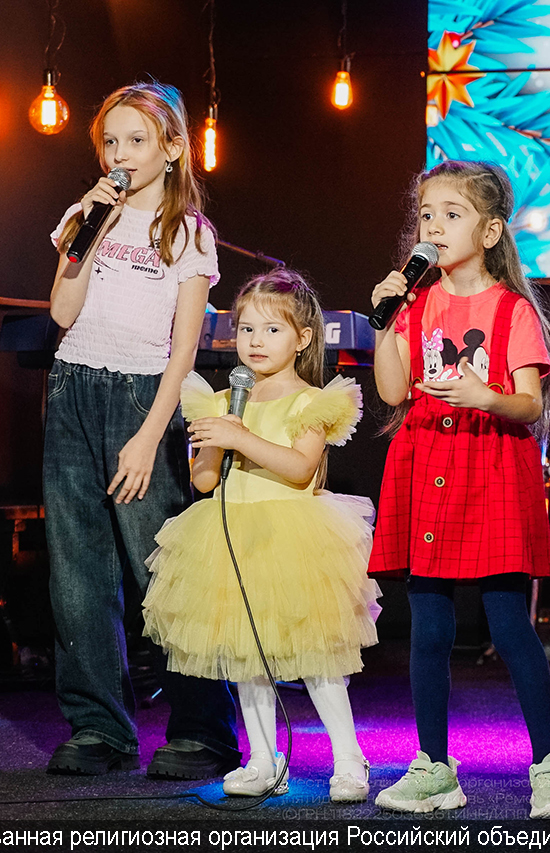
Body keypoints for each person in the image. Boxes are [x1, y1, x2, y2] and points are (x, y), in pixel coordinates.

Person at [367, 160, 550, 819]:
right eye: (426, 214)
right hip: (426, 458)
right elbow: (392, 391)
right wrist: (385, 323)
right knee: (428, 625)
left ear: (489, 232)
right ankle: (434, 766)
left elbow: (530, 403)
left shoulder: (512, 309)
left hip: (489, 464)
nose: (433, 225)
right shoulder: (416, 303)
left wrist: (486, 396)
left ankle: (549, 766)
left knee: (508, 623)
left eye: (451, 214)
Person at [43, 81, 237, 778]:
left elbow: (184, 350)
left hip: (142, 395)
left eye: (136, 140)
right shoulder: (85, 214)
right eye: (110, 141)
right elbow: (62, 312)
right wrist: (87, 234)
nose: (119, 154)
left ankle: (203, 730)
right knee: (76, 569)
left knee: (162, 567)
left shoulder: (188, 232)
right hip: (72, 385)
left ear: (173, 148)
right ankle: (99, 727)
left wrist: (151, 434)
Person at [140, 270, 378, 800]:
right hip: (232, 538)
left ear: (303, 338)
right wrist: (216, 440)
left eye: (272, 330)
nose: (256, 341)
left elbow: (299, 469)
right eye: (247, 329)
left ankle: (348, 759)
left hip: (292, 539)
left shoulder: (312, 402)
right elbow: (205, 481)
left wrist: (240, 436)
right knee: (246, 656)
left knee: (316, 656)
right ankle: (263, 759)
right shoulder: (223, 399)